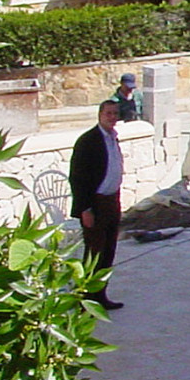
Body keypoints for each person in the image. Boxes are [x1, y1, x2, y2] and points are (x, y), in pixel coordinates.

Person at [67, 98, 124, 310]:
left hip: (112, 201)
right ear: (100, 115)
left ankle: (100, 295)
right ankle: (85, 298)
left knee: (108, 250)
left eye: (115, 113)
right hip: (95, 204)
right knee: (94, 252)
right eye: (108, 113)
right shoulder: (88, 141)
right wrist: (85, 209)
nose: (112, 117)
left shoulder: (113, 138)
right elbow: (78, 178)